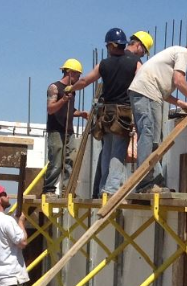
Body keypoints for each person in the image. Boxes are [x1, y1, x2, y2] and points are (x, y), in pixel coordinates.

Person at [71, 29, 154, 197]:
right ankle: (111, 188)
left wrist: (71, 88)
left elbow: (85, 81)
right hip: (123, 112)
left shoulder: (104, 64)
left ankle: (104, 187)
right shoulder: (135, 63)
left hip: (105, 113)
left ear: (110, 45)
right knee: (118, 150)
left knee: (107, 150)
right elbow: (144, 81)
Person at [127, 37, 187, 193]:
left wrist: (181, 103)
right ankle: (144, 182)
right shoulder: (183, 53)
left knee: (154, 139)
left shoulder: (173, 57)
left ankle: (155, 181)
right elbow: (179, 80)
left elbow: (163, 91)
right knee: (148, 133)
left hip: (151, 93)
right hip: (146, 92)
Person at [43, 59, 88, 196]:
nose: (78, 78)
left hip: (68, 130)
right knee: (56, 161)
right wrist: (63, 100)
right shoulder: (54, 87)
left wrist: (80, 113)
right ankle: (49, 189)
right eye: (77, 75)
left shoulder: (71, 91)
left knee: (70, 160)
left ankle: (66, 190)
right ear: (70, 72)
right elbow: (51, 109)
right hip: (56, 130)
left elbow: (68, 111)